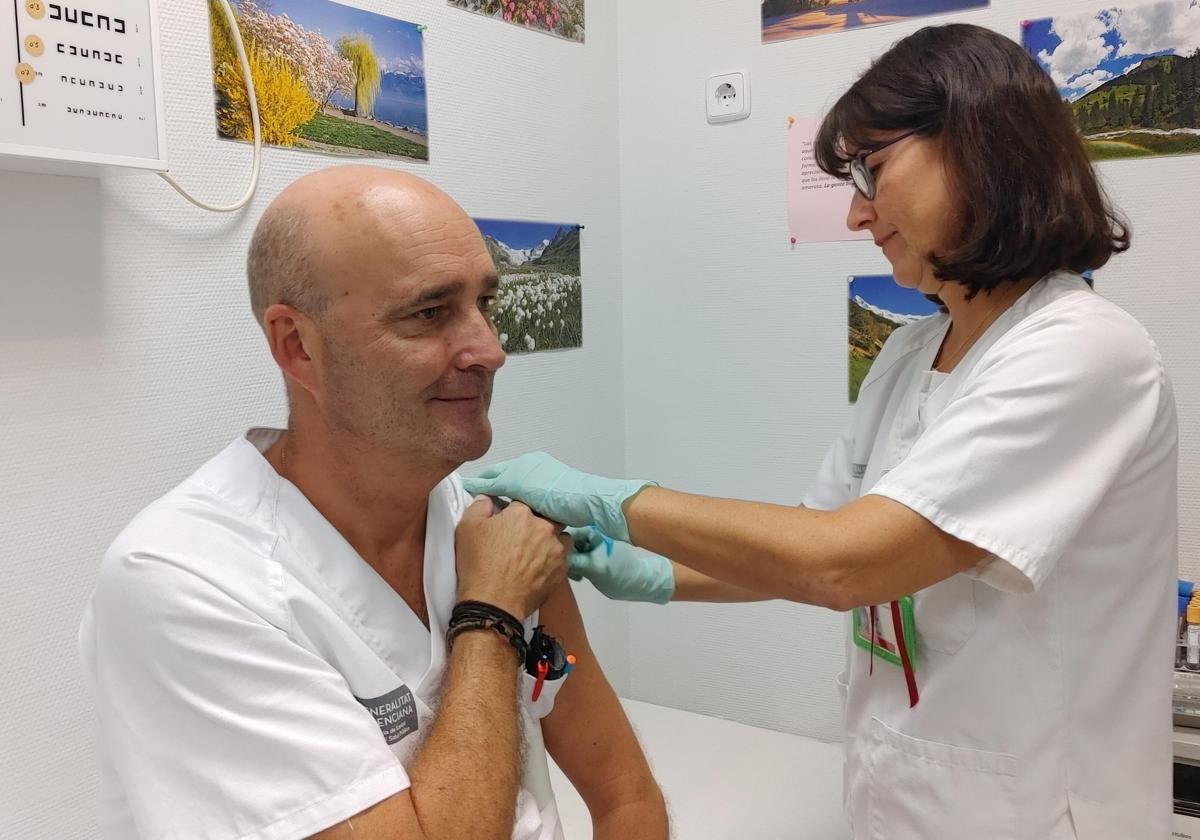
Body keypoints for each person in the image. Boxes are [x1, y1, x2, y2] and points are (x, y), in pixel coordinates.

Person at [464, 23, 1177, 840]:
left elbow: (843, 563)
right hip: (901, 798)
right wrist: (653, 573)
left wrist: (610, 498)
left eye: (872, 169)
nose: (855, 210)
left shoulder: (1084, 350)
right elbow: (807, 545)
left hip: (1044, 809)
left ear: (982, 144)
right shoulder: (913, 350)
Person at [79, 166, 668, 840]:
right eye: (429, 312)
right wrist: (491, 614)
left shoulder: (493, 527)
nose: (491, 350)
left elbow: (627, 797)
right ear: (298, 346)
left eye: (486, 304)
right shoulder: (181, 582)